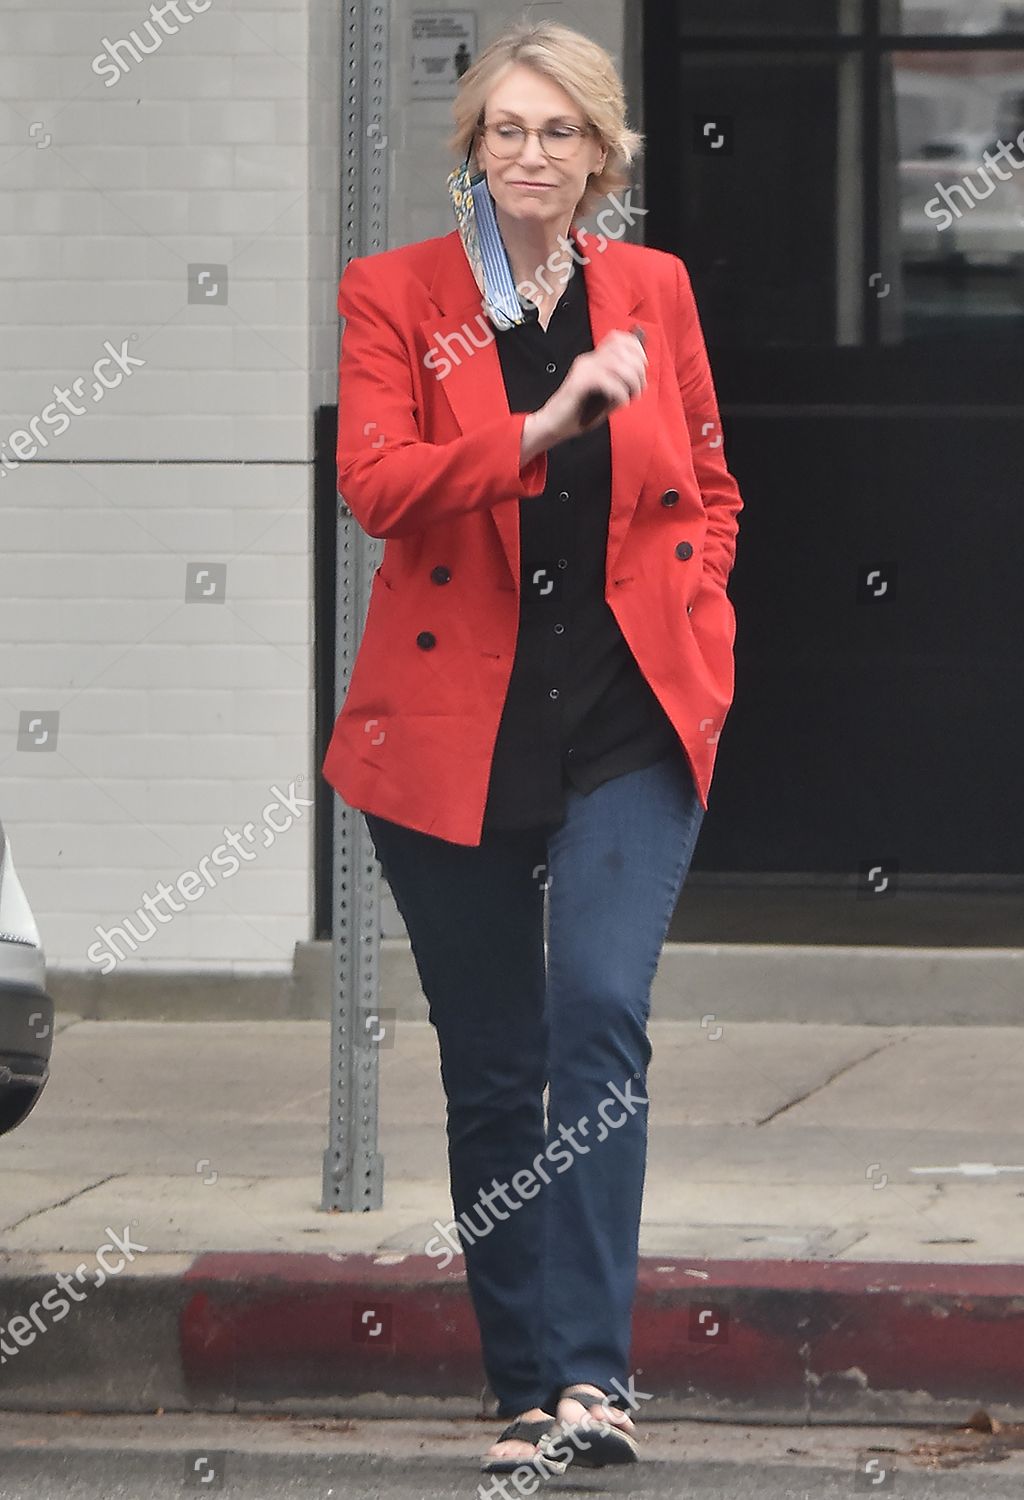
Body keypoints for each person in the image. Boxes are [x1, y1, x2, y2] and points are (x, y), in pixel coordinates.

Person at [321, 19, 744, 1477]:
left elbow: (709, 477)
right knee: (497, 1068)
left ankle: (593, 1380)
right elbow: (373, 485)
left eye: (558, 130)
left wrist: (702, 618)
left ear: (602, 152)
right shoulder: (397, 295)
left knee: (599, 1015)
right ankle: (523, 1390)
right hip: (449, 733)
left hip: (626, 716)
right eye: (505, 129)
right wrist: (546, 419)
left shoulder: (655, 289)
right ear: (471, 148)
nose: (530, 153)